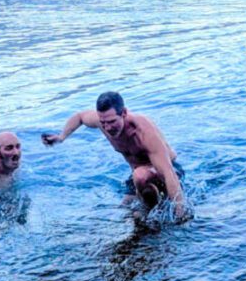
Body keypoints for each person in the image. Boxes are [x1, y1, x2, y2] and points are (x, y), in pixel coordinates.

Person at [42, 92, 188, 219]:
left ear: (123, 113)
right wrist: (62, 137)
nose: (108, 128)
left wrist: (180, 212)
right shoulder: (101, 120)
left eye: (112, 122)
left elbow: (169, 173)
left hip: (168, 170)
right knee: (124, 211)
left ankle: (156, 213)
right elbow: (80, 117)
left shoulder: (144, 132)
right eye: (103, 123)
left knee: (141, 179)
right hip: (137, 172)